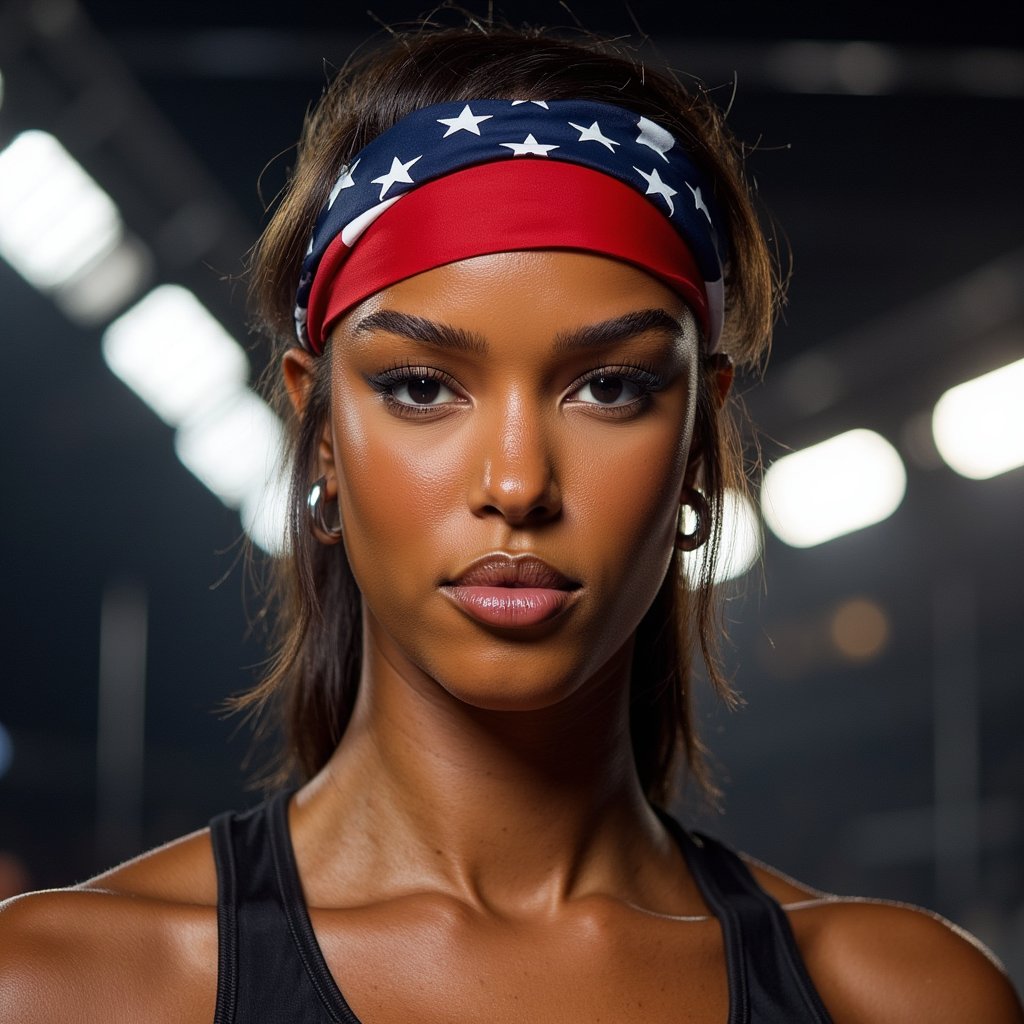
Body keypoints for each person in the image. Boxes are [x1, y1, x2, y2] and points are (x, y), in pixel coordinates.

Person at [1, 22, 1021, 1024]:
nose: (519, 481)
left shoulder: (895, 998)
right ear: (318, 435)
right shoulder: (61, 987)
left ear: (700, 443)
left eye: (611, 387)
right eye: (420, 386)